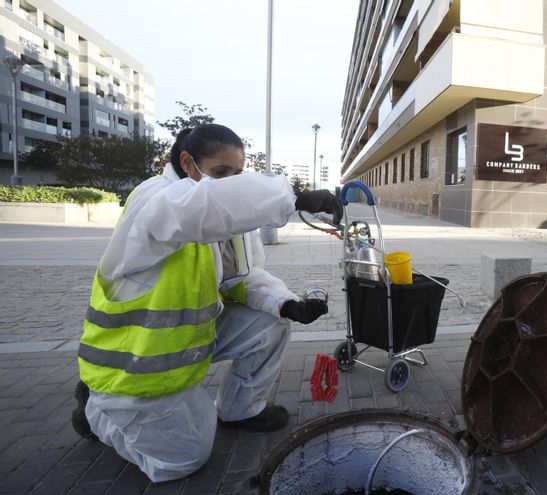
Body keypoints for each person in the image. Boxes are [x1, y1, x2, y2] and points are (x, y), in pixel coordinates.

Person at [70, 124, 343, 482]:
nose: (229, 183)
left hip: (189, 344)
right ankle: (96, 411)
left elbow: (239, 278)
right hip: (138, 367)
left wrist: (287, 303)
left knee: (270, 324)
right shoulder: (155, 200)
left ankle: (240, 410)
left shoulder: (221, 217)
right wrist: (292, 197)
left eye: (237, 175)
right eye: (220, 173)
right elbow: (199, 210)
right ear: (187, 162)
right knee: (184, 461)